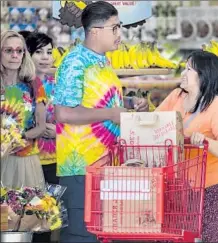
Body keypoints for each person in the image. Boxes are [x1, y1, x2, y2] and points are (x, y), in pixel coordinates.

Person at [52, 2, 148, 242]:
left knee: (102, 235)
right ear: (95, 31)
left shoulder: (103, 61)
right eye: (114, 28)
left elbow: (98, 100)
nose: (119, 34)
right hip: (81, 168)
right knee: (82, 235)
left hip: (107, 165)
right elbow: (63, 113)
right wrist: (110, 114)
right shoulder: (74, 63)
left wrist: (128, 103)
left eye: (119, 27)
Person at [156, 50, 218, 242]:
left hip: (212, 189)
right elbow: (156, 122)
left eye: (189, 69)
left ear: (203, 75)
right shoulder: (176, 97)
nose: (183, 73)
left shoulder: (217, 105)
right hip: (177, 189)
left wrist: (205, 141)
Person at [0, 30, 47, 190]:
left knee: (27, 211)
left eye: (19, 51)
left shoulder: (34, 85)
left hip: (25, 160)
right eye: (8, 50)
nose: (15, 55)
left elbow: (41, 127)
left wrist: (20, 138)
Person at [25, 32, 58, 243]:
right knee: (20, 218)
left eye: (49, 52)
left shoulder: (60, 86)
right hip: (27, 161)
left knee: (46, 224)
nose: (45, 57)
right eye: (39, 52)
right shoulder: (21, 86)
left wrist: (59, 130)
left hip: (55, 161)